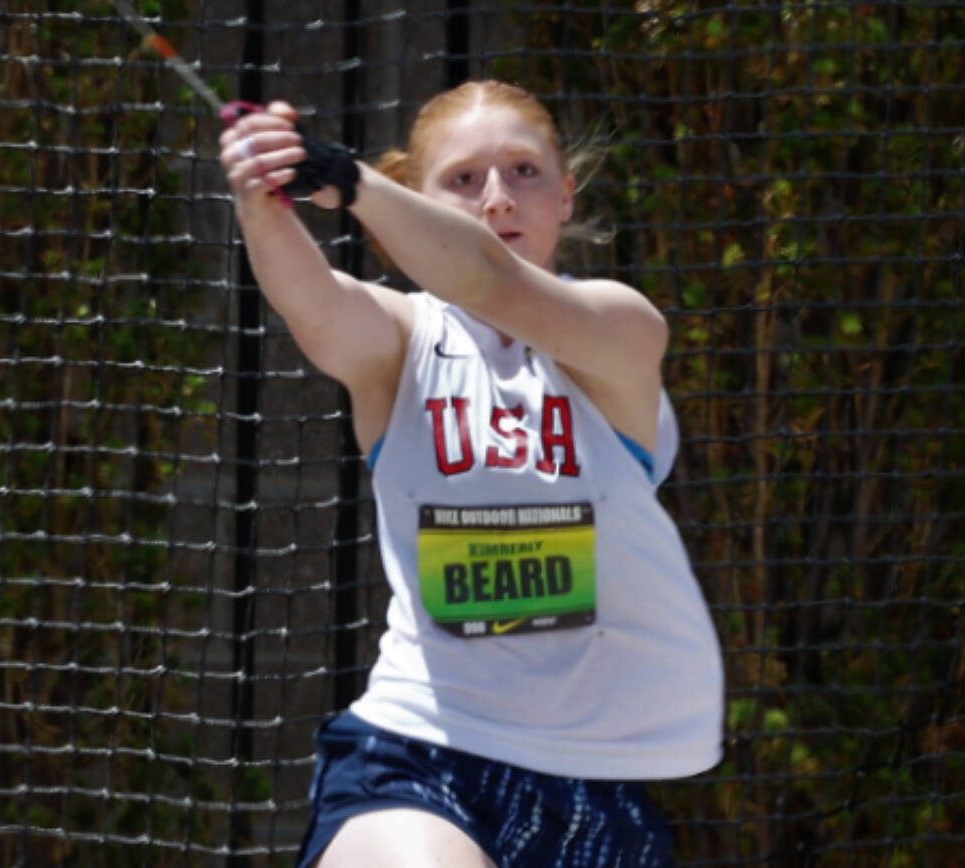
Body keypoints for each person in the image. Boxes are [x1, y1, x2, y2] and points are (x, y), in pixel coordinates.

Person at [218, 80, 723, 868]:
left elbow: (491, 281)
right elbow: (312, 303)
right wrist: (261, 198)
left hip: (599, 784)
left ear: (566, 195)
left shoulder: (618, 328)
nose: (497, 198)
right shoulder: (400, 339)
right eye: (461, 179)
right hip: (419, 754)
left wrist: (351, 182)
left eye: (524, 171)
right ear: (415, 201)